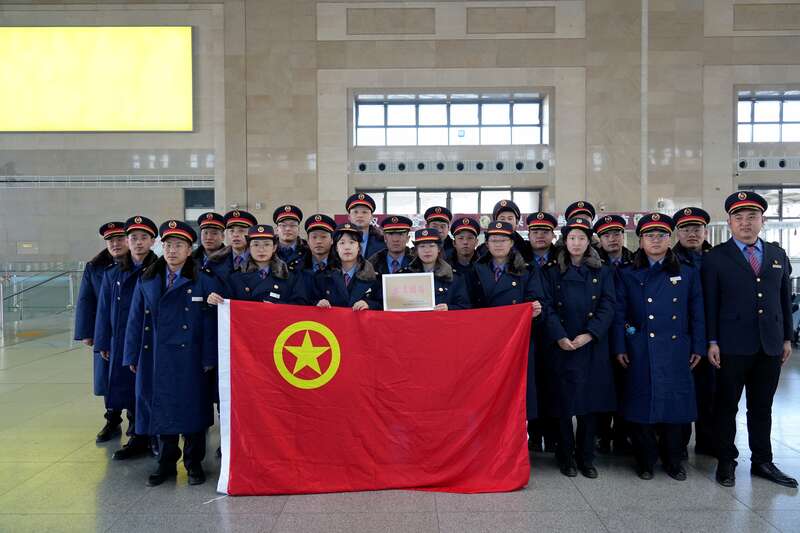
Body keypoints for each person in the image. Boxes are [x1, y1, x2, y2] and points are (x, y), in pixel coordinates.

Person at [703, 191, 797, 488]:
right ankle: (726, 460)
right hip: (731, 345)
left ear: (762, 221)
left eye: (752, 217)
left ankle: (762, 461)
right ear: (730, 222)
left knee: (762, 407)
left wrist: (786, 338)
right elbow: (710, 303)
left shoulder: (777, 255)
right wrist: (712, 341)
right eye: (739, 217)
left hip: (769, 345)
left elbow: (783, 299)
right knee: (726, 406)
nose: (745, 223)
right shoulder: (716, 257)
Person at [123, 220, 220, 487]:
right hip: (155, 356)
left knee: (193, 411)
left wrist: (209, 357)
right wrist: (131, 355)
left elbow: (211, 323)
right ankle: (165, 462)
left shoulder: (204, 280)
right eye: (168, 245)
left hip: (192, 358)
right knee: (162, 407)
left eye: (179, 245)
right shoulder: (148, 279)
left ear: (189, 250)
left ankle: (193, 463)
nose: (172, 251)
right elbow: (134, 319)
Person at [613, 213, 705, 481]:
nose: (655, 240)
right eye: (649, 235)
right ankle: (645, 460)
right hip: (640, 347)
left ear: (670, 238)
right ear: (640, 241)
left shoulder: (686, 272)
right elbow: (619, 313)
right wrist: (621, 344)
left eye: (661, 235)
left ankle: (673, 461)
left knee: (675, 407)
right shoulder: (627, 272)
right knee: (641, 404)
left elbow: (697, 312)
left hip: (677, 348)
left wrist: (698, 345)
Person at [541, 217, 616, 478]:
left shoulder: (602, 270)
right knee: (563, 405)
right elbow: (546, 306)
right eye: (572, 238)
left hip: (590, 345)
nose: (576, 243)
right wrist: (559, 335)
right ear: (565, 241)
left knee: (589, 405)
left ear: (589, 242)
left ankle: (586, 458)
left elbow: (608, 305)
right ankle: (565, 456)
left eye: (581, 238)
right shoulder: (552, 271)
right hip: (561, 345)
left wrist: (590, 334)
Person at [466, 221, 544, 424]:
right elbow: (468, 305)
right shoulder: (475, 270)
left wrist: (536, 310)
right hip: (485, 343)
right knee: (486, 395)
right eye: (494, 240)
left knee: (516, 394)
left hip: (516, 343)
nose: (498, 244)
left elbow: (536, 299)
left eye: (503, 240)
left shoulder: (527, 270)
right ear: (487, 244)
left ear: (512, 243)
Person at [94, 215, 158, 460]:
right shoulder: (114, 273)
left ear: (152, 241)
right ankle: (137, 436)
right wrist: (103, 342)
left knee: (149, 389)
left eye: (144, 237)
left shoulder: (160, 269)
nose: (138, 242)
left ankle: (152, 435)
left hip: (151, 338)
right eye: (133, 238)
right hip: (122, 340)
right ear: (127, 241)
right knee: (126, 388)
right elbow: (103, 310)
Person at [75, 221, 129, 443]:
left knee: (134, 376)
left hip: (131, 329)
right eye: (110, 240)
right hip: (106, 330)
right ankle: (112, 419)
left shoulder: (140, 263)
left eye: (120, 239)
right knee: (108, 377)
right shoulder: (95, 267)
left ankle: (137, 422)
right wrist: (87, 332)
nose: (115, 244)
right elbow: (86, 299)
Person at [672, 207, 715, 458]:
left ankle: (707, 442)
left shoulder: (716, 258)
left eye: (696, 229)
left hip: (713, 334)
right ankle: (678, 445)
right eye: (686, 229)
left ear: (705, 231)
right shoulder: (670, 260)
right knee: (681, 391)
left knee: (710, 391)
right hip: (680, 335)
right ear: (677, 233)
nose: (692, 234)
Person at [593, 214, 633, 455]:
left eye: (616, 233)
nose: (612, 239)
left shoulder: (635, 261)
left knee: (626, 384)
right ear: (599, 239)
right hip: (601, 334)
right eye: (606, 235)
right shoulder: (593, 263)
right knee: (601, 385)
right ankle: (601, 434)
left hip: (629, 332)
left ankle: (622, 434)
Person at [207, 224, 308, 305]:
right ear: (249, 248)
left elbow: (300, 304)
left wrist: (278, 307)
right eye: (256, 244)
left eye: (266, 244)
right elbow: (226, 307)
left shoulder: (290, 276)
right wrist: (214, 300)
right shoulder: (235, 278)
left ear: (274, 248)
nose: (261, 249)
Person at [314, 223, 382, 310]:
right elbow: (310, 301)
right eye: (342, 243)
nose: (347, 247)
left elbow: (382, 304)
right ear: (336, 248)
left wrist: (369, 304)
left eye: (352, 242)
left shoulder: (373, 277)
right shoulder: (322, 276)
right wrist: (318, 303)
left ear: (358, 247)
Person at [399, 228, 469, 310]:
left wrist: (449, 308)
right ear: (417, 250)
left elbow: (465, 307)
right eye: (422, 246)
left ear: (439, 249)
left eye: (431, 246)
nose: (427, 250)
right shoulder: (404, 275)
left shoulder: (454, 277)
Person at [206, 209, 258, 278]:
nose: (235, 235)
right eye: (232, 231)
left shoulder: (261, 259)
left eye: (241, 231)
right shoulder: (215, 260)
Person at [345, 193, 386, 258]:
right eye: (355, 212)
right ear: (349, 217)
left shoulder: (382, 243)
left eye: (364, 212)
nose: (360, 215)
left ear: (372, 217)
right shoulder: (339, 241)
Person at [273, 204, 308, 272]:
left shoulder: (308, 250)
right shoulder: (269, 250)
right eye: (283, 225)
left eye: (292, 225)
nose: (288, 229)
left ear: (298, 229)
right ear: (277, 229)